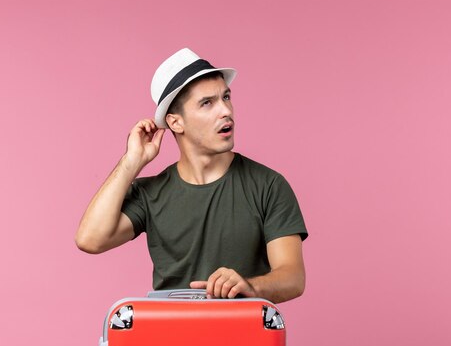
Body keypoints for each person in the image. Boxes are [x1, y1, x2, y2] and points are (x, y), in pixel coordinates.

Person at [75, 48, 308, 304]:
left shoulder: (268, 185)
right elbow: (90, 239)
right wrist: (131, 162)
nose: (226, 110)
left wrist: (249, 286)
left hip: (246, 339)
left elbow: (292, 277)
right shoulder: (150, 194)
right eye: (207, 103)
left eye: (226, 97)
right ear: (176, 123)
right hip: (170, 339)